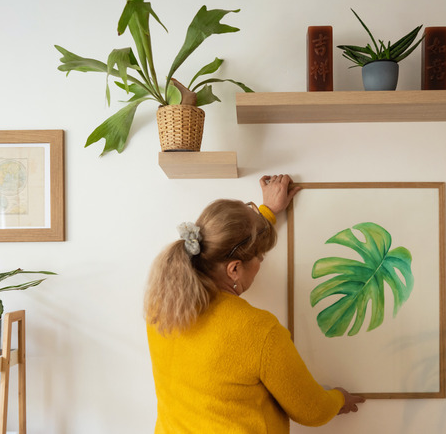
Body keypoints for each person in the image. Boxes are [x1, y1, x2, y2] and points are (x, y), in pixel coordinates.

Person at [144, 174, 365, 433]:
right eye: (259, 256)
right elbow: (311, 410)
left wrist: (267, 212)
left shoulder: (162, 307)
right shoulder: (257, 330)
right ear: (234, 269)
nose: (261, 262)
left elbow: (225, 243)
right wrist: (338, 399)